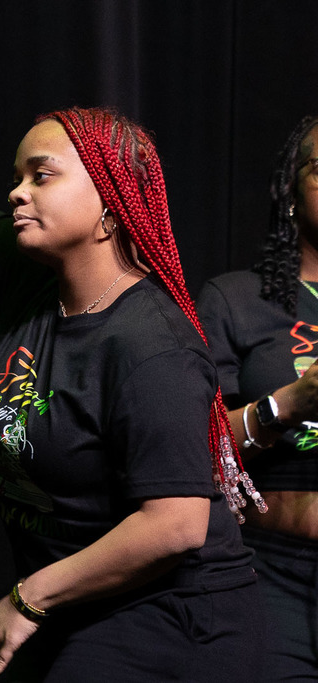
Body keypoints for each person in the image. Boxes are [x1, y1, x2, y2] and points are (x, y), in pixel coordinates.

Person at [0, 107, 263, 682]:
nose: (16, 193)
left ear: (109, 201)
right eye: (17, 177)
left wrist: (28, 598)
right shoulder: (33, 274)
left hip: (174, 622)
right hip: (76, 609)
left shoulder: (153, 347)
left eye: (41, 175)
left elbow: (175, 525)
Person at [197, 114, 318, 680]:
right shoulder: (237, 299)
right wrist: (286, 404)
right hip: (274, 576)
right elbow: (194, 449)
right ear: (291, 195)